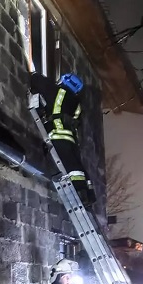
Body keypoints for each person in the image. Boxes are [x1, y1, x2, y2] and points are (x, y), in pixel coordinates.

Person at [30, 72, 96, 208]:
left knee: (70, 169)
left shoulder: (56, 92)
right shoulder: (76, 103)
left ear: (64, 81)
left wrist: (34, 74)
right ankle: (87, 195)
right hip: (71, 140)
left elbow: (36, 80)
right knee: (77, 168)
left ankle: (79, 195)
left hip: (57, 136)